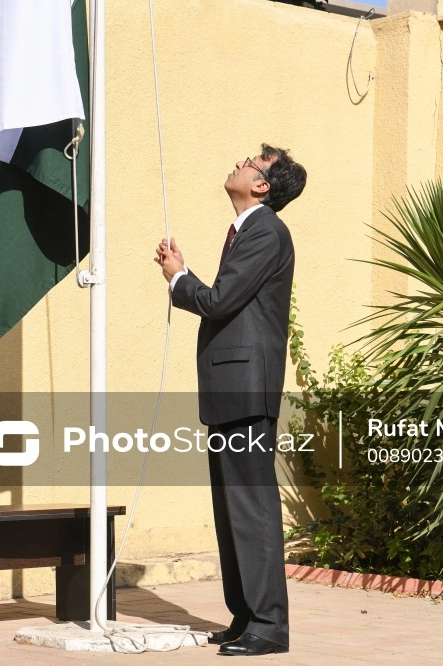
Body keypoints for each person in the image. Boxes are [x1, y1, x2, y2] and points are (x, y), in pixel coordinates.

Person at [154, 144, 306, 657]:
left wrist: (178, 277)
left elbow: (221, 300)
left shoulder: (265, 230)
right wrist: (184, 272)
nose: (239, 162)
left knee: (251, 507)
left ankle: (268, 625)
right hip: (229, 388)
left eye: (252, 161)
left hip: (244, 388)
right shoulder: (248, 229)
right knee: (231, 508)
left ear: (262, 185)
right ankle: (245, 616)